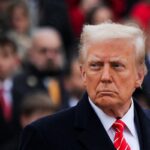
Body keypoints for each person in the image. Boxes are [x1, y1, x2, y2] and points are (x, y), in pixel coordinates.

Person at [19, 22, 150, 150]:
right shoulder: (44, 135)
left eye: (117, 66)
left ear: (139, 76)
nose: (105, 77)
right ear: (83, 74)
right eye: (95, 66)